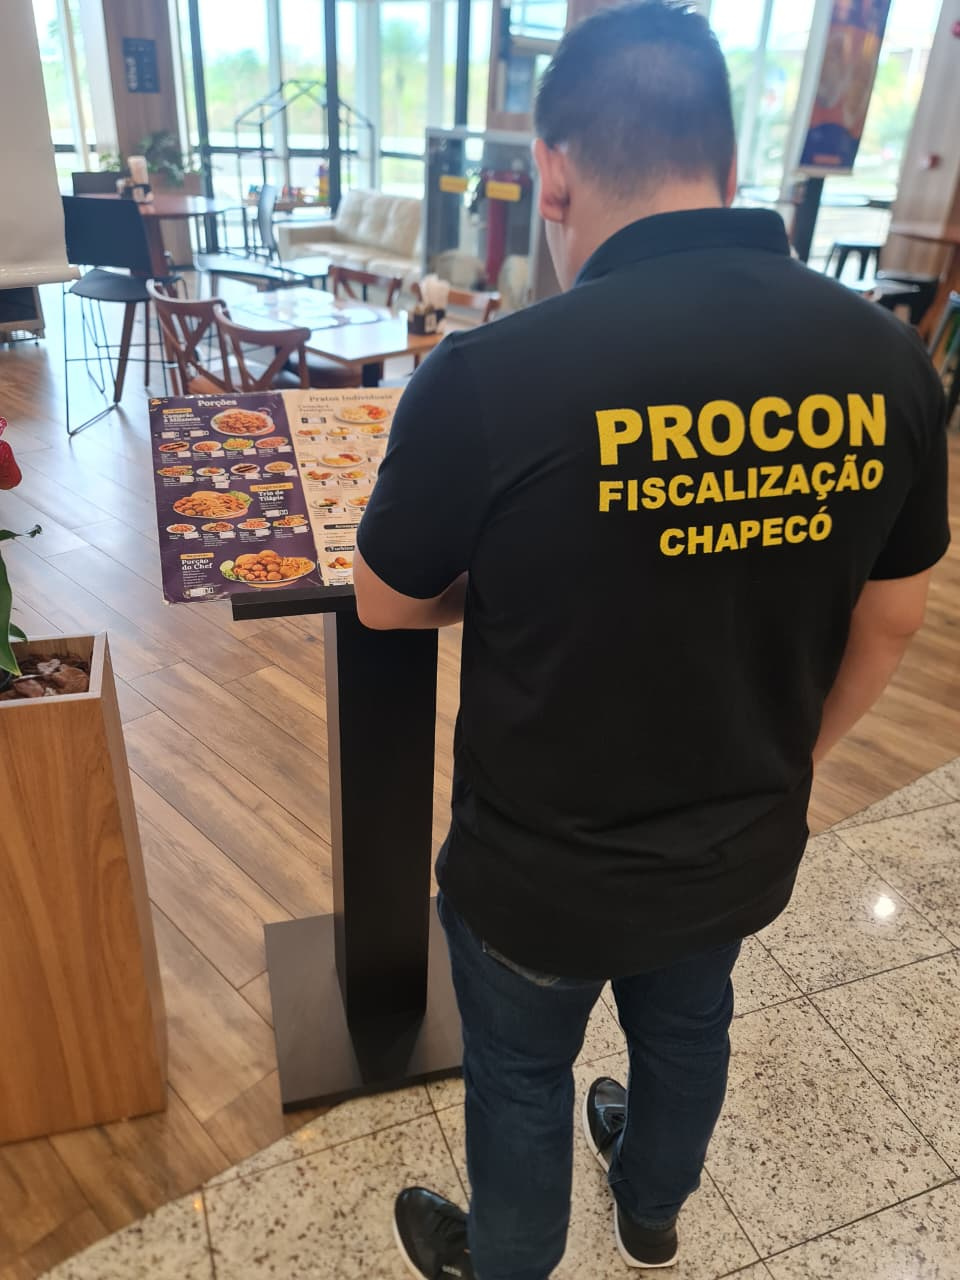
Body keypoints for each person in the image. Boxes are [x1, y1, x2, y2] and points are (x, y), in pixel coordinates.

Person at [353, 3, 950, 1277]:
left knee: (521, 1072)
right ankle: (653, 1209)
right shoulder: (892, 363)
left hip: (540, 864)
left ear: (554, 172)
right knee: (688, 1025)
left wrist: (490, 586)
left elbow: (388, 602)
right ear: (729, 164)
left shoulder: (489, 376)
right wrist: (789, 759)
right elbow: (894, 615)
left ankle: (511, 1260)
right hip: (736, 835)